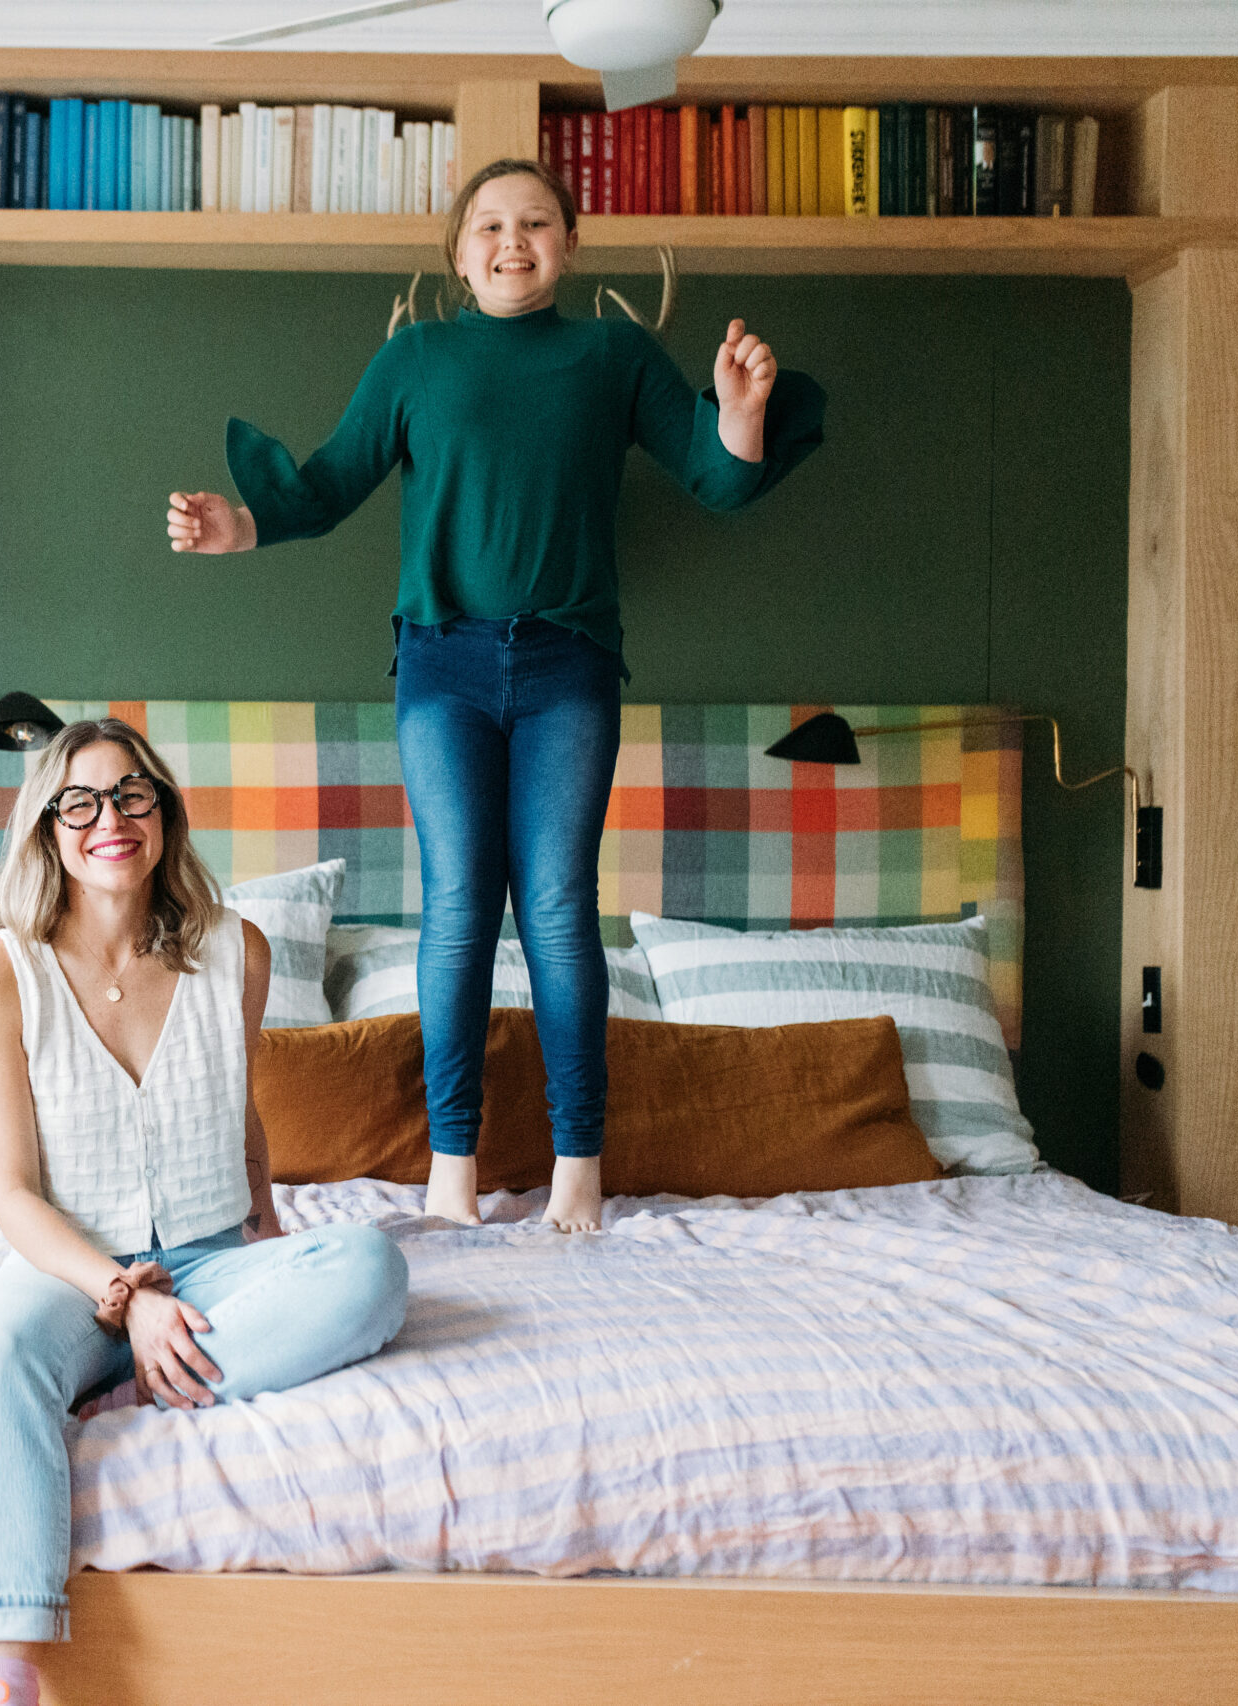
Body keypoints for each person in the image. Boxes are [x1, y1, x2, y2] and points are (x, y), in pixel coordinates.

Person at [164, 158, 824, 1234]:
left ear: (570, 244)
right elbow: (327, 486)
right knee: (460, 905)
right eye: (489, 226)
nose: (511, 241)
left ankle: (578, 1166)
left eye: (535, 223)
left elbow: (718, 477)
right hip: (442, 668)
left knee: (558, 905)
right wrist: (237, 527)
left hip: (570, 666)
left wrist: (742, 412)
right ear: (458, 255)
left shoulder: (612, 354)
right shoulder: (415, 359)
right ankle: (451, 1169)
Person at [0, 717, 410, 1706]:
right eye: (79, 802)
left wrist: (269, 1236)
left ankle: (133, 1386)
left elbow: (236, 1109)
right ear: (46, 828)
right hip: (70, 1267)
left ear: (162, 812)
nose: (109, 820)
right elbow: (9, 1193)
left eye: (131, 794)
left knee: (370, 1267)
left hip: (211, 1253)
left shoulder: (235, 950)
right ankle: (5, 1672)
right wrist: (127, 1295)